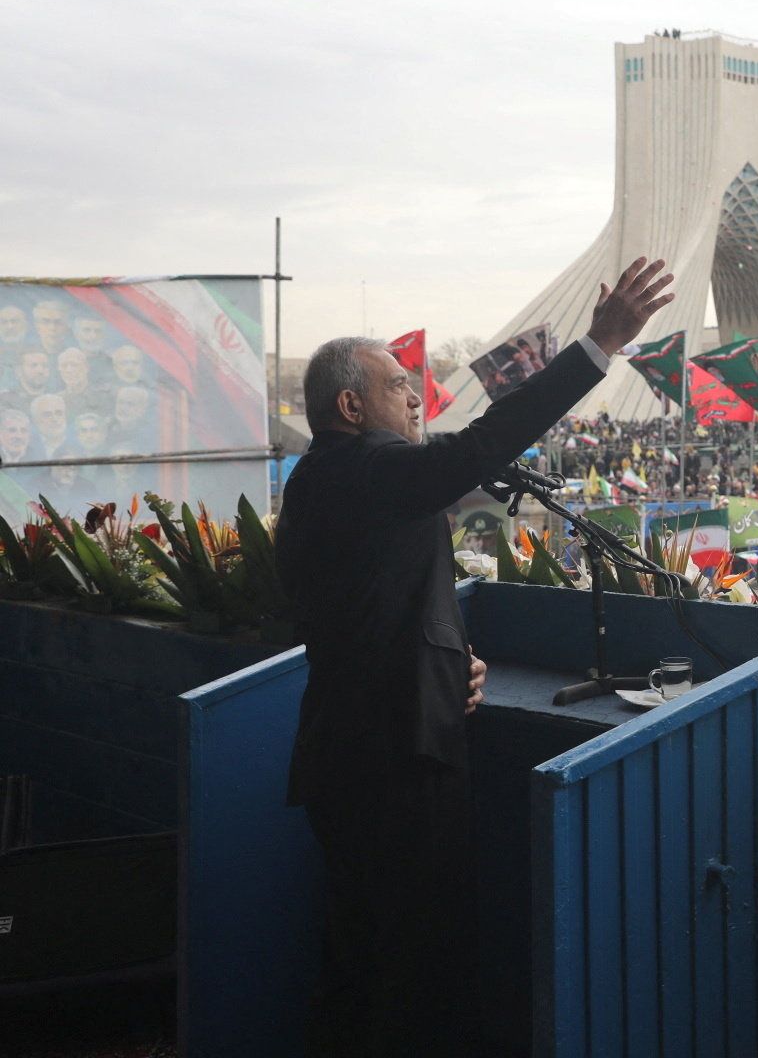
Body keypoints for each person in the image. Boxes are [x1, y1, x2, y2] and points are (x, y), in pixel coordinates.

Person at [277, 254, 674, 1056]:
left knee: (375, 962)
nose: (417, 394)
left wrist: (449, 659)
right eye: (398, 385)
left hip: (371, 745)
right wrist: (596, 348)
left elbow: (376, 608)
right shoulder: (361, 468)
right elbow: (473, 450)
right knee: (400, 972)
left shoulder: (340, 480)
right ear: (351, 406)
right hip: (388, 762)